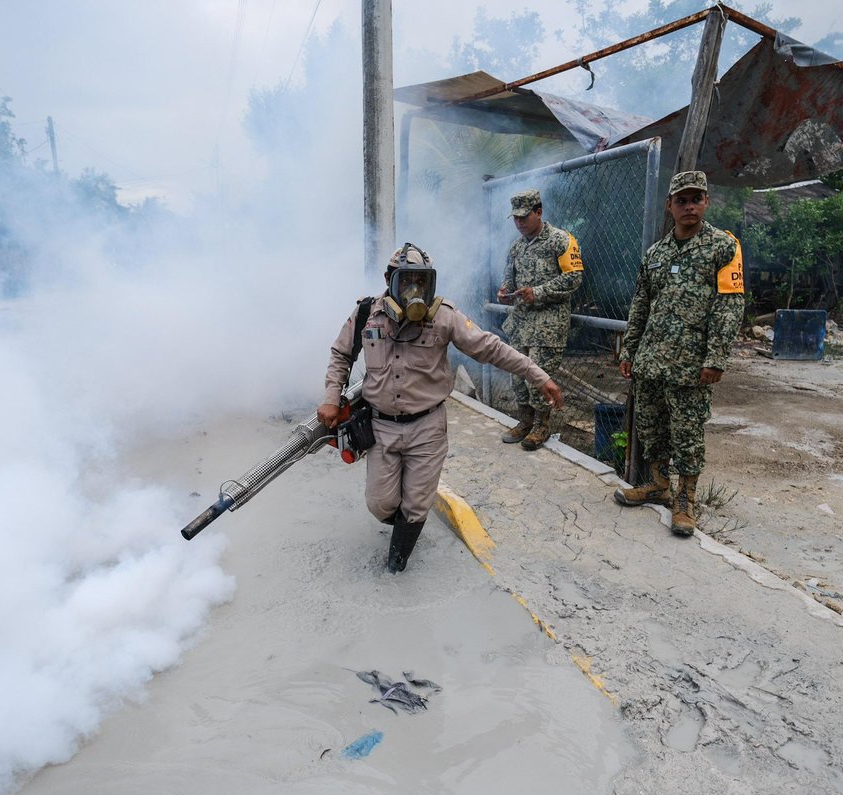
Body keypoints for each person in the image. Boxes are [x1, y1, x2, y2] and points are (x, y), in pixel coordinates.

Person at [319, 243, 564, 573]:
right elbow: (340, 354)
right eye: (407, 281)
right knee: (380, 504)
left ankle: (397, 564)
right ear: (389, 280)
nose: (415, 290)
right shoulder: (366, 313)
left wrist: (538, 375)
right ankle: (403, 522)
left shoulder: (444, 316)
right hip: (382, 427)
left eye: (422, 281)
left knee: (416, 504)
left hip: (427, 427)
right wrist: (331, 397)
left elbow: (490, 348)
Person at [613, 170, 744, 536]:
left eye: (696, 199)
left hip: (691, 364)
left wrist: (715, 357)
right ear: (669, 205)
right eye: (681, 201)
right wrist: (629, 350)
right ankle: (659, 485)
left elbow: (730, 305)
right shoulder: (656, 253)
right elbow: (641, 304)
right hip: (651, 360)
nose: (689, 206)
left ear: (706, 202)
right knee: (651, 427)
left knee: (687, 434)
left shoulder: (723, 247)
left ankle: (685, 501)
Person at [496, 188, 584, 451]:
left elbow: (574, 277)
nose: (520, 222)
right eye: (516, 218)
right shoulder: (516, 248)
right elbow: (509, 280)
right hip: (520, 324)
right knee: (517, 377)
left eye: (524, 217)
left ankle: (541, 426)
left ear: (539, 212)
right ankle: (525, 422)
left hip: (548, 326)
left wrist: (539, 292)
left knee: (538, 380)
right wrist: (505, 292)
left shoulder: (561, 240)